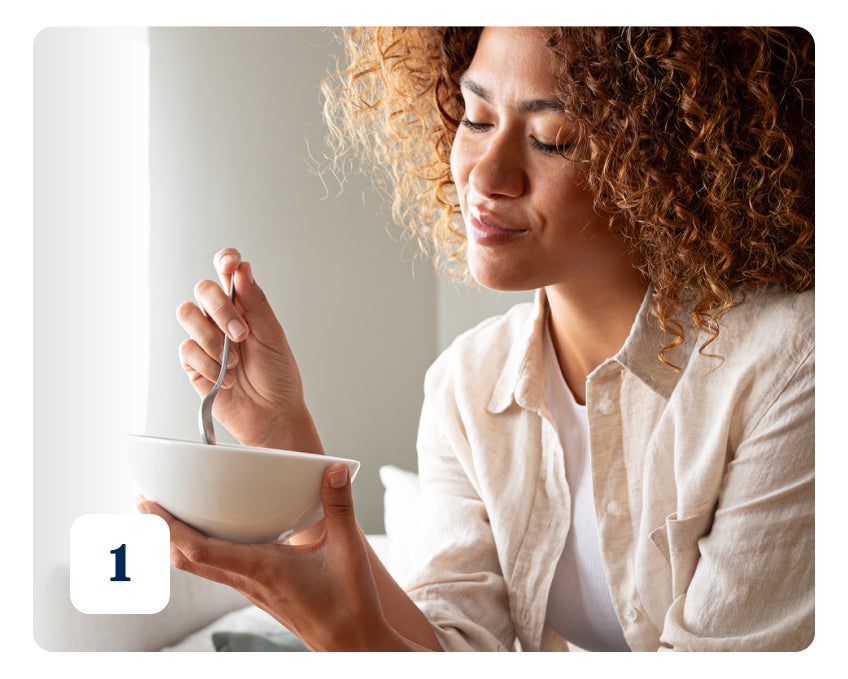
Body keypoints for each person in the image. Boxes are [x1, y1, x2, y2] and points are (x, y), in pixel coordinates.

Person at [138, 27, 814, 651]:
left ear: (669, 160)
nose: (486, 179)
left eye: (552, 137)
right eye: (476, 117)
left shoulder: (791, 365)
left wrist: (344, 640)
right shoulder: (468, 384)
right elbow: (452, 646)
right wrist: (286, 437)